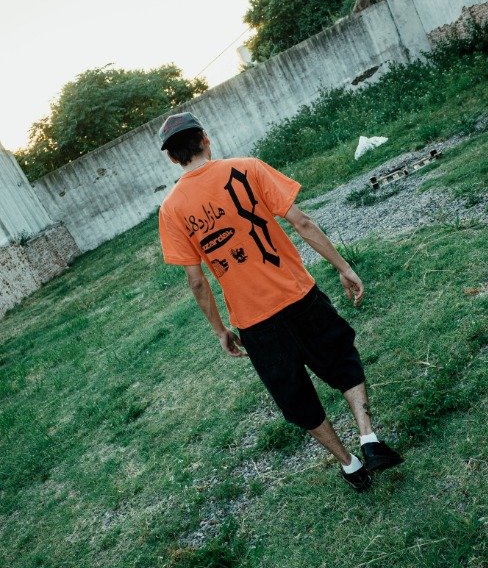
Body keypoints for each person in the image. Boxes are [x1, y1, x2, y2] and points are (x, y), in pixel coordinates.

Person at [157, 112, 402, 492]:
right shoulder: (248, 168)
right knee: (341, 359)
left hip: (254, 323)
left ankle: (350, 465)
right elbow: (301, 222)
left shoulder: (171, 209)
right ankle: (368, 438)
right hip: (299, 295)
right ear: (205, 138)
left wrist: (220, 330)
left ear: (173, 158)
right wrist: (343, 267)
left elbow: (196, 281)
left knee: (295, 397)